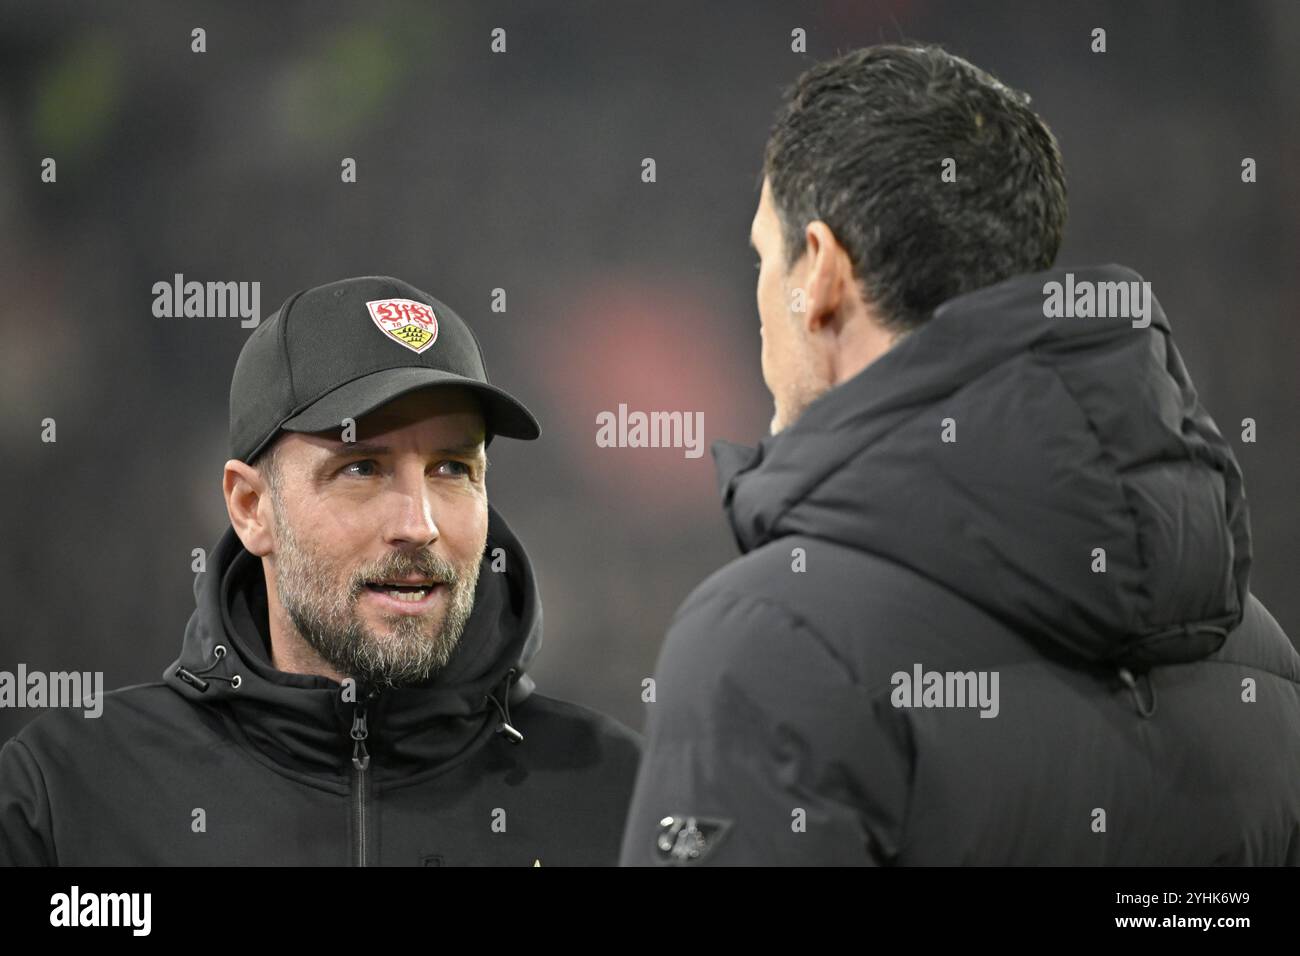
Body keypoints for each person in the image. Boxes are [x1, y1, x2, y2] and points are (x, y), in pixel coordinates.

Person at [620, 44, 1300, 865]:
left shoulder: (769, 647)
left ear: (825, 275)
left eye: (766, 257)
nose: (760, 297)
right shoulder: (1251, 647)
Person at [0, 275, 640, 865]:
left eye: (452, 469)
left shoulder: (620, 793)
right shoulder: (70, 795)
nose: (419, 524)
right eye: (361, 468)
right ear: (252, 509)